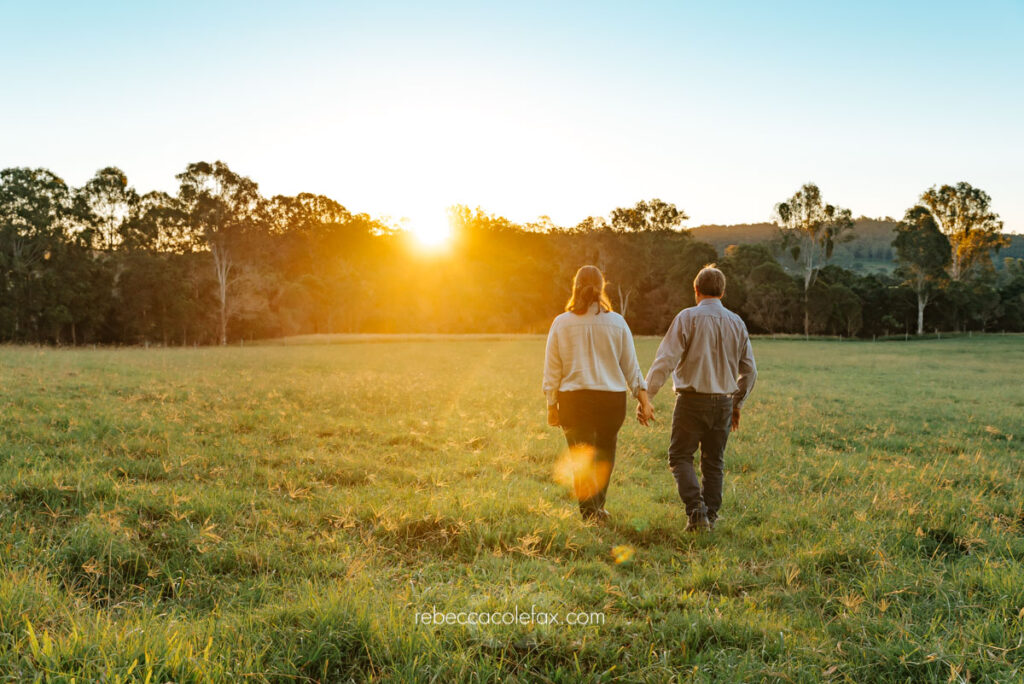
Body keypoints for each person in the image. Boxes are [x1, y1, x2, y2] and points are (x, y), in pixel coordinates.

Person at [639, 264, 756, 532]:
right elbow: (750, 370)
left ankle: (696, 512)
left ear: (696, 290)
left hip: (691, 402)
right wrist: (737, 403)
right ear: (723, 292)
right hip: (724, 401)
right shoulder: (737, 322)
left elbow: (665, 361)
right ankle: (710, 517)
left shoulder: (687, 317)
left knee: (680, 456)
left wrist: (647, 396)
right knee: (714, 461)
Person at [543, 265, 653, 522]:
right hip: (611, 400)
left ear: (576, 286)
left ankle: (591, 512)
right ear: (602, 287)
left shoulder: (561, 323)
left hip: (574, 400)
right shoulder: (617, 322)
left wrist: (551, 405)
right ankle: (597, 510)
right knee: (604, 457)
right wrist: (644, 401)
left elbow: (552, 369)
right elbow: (631, 367)